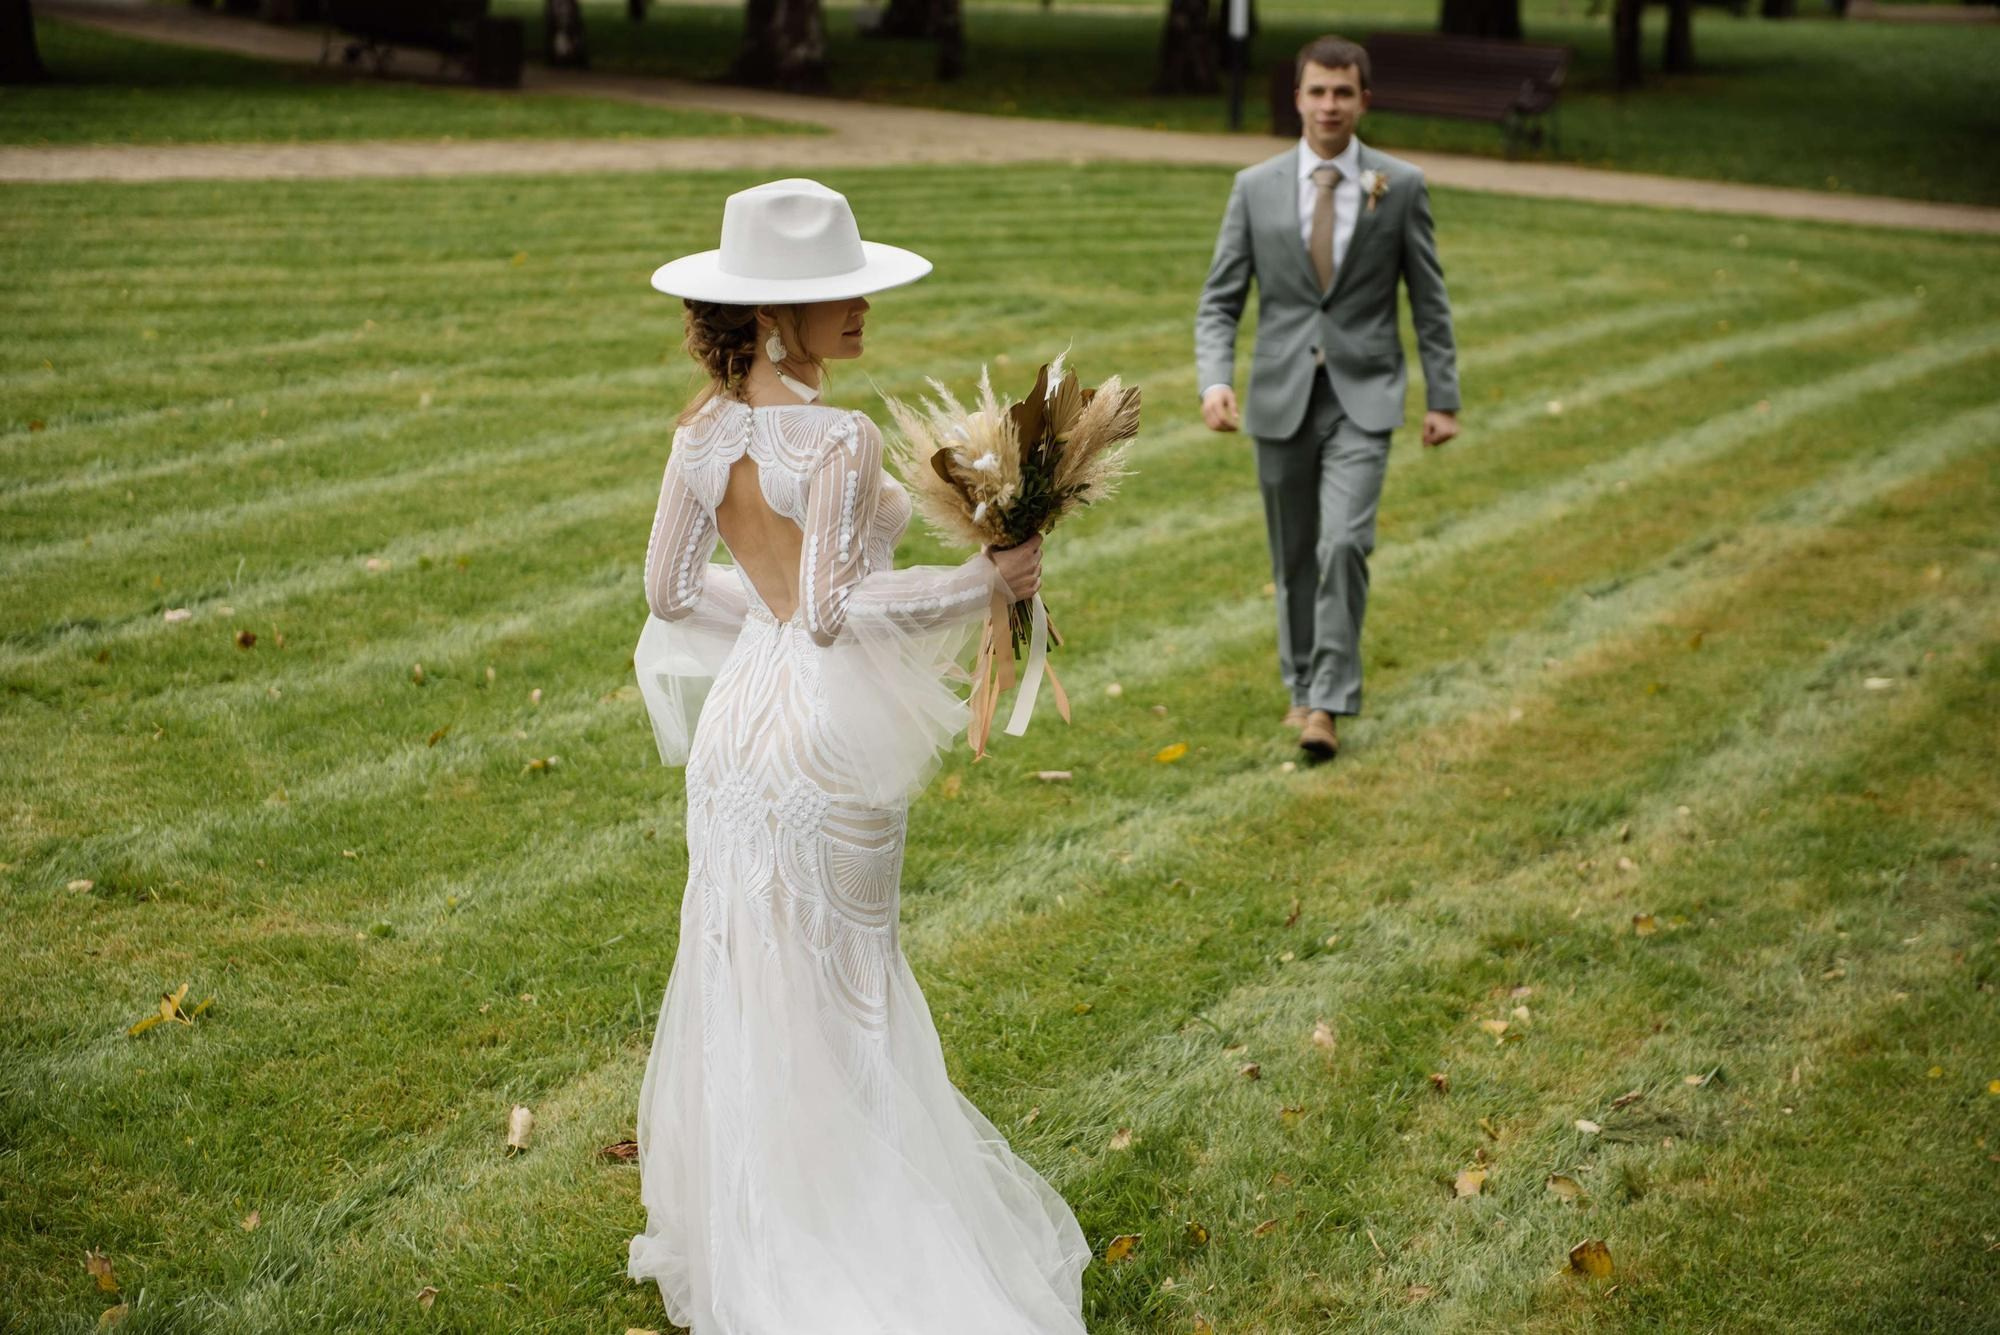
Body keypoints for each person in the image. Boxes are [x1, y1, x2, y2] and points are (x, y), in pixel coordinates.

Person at [626, 178, 1090, 1333]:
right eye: (839, 293)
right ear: (772, 315)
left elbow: (669, 591)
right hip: (818, 738)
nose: (864, 307)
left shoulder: (699, 433)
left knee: (752, 969)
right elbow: (839, 612)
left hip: (738, 735)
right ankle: (851, 1241)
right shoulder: (834, 436)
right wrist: (980, 584)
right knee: (847, 985)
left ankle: (754, 1225)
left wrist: (775, 627)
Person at [1195, 35, 1462, 760]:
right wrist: (1216, 380)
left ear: (1364, 101)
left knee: (1345, 540)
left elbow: (1429, 300)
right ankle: (1302, 681)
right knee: (1294, 553)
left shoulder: (1399, 186)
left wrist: (1444, 397)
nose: (1330, 105)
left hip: (1365, 394)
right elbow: (1220, 301)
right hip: (1280, 393)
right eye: (1318, 91)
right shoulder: (1255, 187)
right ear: (1298, 97)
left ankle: (1328, 703)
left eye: (1344, 93)